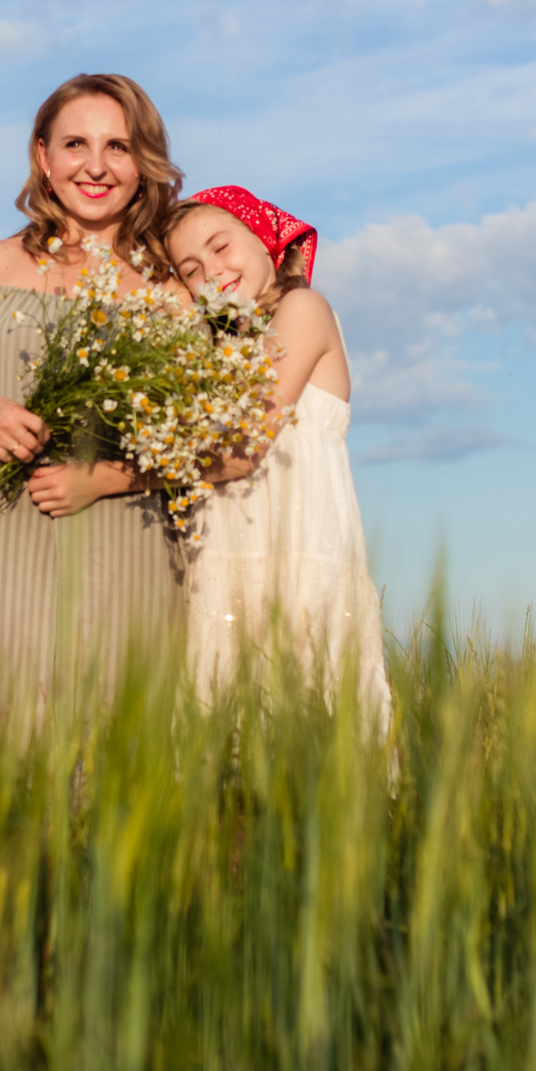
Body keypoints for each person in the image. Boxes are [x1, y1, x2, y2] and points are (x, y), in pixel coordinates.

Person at [0, 73, 186, 702]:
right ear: (42, 155)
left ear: (143, 162)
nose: (96, 166)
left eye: (118, 147)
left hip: (129, 553)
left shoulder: (170, 296)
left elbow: (193, 452)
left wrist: (107, 478)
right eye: (75, 145)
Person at [164, 185, 389, 722]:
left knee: (313, 707)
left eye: (221, 247)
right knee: (221, 715)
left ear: (266, 239)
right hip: (223, 562)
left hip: (301, 556)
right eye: (189, 269)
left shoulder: (304, 308)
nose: (211, 272)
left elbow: (243, 438)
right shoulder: (213, 347)